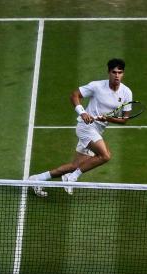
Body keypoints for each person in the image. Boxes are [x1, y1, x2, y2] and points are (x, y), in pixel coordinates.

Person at [27, 58, 134, 197]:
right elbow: (74, 95)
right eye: (114, 72)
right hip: (86, 127)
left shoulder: (127, 93)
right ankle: (72, 178)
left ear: (123, 74)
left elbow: (125, 120)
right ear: (109, 72)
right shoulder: (97, 86)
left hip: (98, 130)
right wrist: (83, 112)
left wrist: (107, 118)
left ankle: (37, 179)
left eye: (120, 72)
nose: (117, 76)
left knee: (74, 165)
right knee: (105, 156)